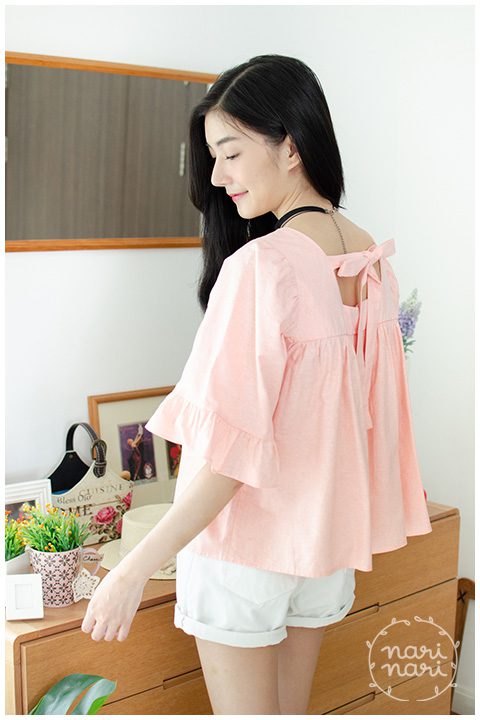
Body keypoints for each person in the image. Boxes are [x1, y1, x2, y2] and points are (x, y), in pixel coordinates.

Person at [81, 54, 432, 714]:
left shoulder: (262, 268)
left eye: (231, 153)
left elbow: (228, 458)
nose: (218, 176)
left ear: (291, 148)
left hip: (242, 553)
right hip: (322, 549)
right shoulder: (373, 264)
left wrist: (131, 569)